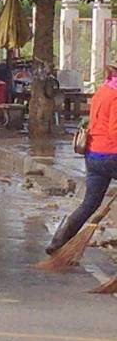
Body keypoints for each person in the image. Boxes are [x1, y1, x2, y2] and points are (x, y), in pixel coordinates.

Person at [46, 61, 117, 254]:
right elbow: (114, 131)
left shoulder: (103, 91)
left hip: (93, 156)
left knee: (89, 204)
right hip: (110, 155)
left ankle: (58, 242)